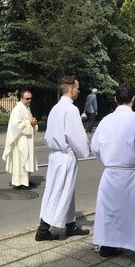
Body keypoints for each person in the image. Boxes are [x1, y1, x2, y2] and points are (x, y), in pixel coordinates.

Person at [91, 84, 135, 258]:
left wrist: (108, 162)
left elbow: (95, 147)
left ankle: (108, 245)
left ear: (115, 99)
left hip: (112, 173)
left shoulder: (106, 120)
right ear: (133, 99)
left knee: (111, 213)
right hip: (133, 173)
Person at [35, 76, 90, 241]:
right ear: (71, 88)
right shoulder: (71, 110)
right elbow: (76, 136)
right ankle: (43, 230)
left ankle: (70, 225)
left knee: (64, 189)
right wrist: (86, 149)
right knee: (60, 190)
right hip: (66, 155)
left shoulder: (55, 108)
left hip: (55, 155)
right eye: (78, 88)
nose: (79, 91)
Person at [2, 89, 38, 190]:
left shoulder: (26, 108)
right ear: (21, 98)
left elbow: (27, 122)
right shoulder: (17, 109)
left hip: (27, 140)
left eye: (30, 98)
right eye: (27, 98)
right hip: (20, 140)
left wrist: (33, 123)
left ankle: (26, 180)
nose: (29, 100)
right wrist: (28, 123)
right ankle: (20, 182)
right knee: (22, 160)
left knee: (27, 159)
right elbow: (15, 126)